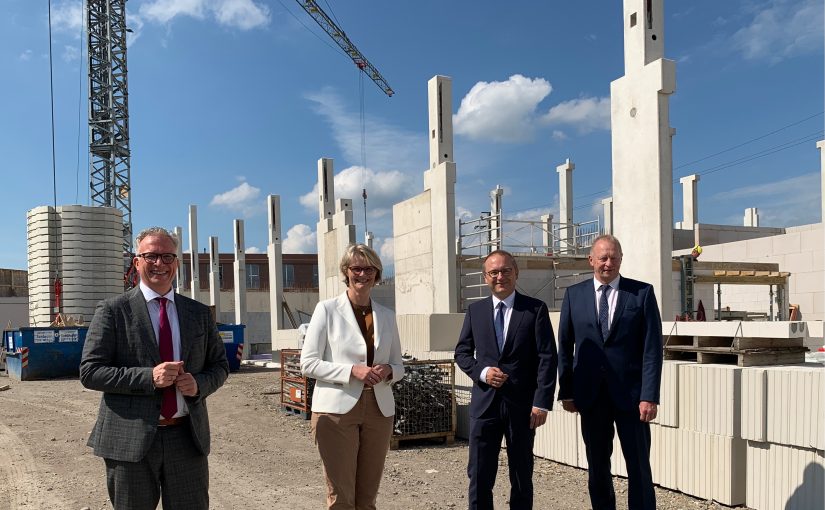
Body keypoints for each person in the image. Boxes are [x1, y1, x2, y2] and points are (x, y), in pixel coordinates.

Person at [80, 227, 229, 509]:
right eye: (151, 256)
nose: (159, 264)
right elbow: (90, 371)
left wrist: (199, 385)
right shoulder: (113, 310)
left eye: (167, 257)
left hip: (186, 439)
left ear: (176, 263)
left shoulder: (198, 313)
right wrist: (149, 377)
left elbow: (219, 366)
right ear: (136, 262)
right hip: (129, 441)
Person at [557, 234, 663, 510]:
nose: (608, 263)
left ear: (621, 259)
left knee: (639, 466)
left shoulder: (642, 294)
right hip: (591, 398)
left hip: (632, 398)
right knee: (597, 466)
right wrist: (566, 391)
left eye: (614, 257)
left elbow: (652, 349)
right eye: (602, 257)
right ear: (591, 260)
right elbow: (565, 346)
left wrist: (649, 396)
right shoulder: (574, 295)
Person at [300, 243, 404, 510]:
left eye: (370, 268)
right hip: (336, 411)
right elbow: (308, 363)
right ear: (346, 271)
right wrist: (351, 371)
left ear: (377, 273)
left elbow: (398, 363)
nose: (363, 274)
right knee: (341, 497)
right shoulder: (327, 309)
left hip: (379, 411)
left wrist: (389, 370)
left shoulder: (387, 315)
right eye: (357, 268)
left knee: (367, 497)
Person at [454, 249, 558, 510]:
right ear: (485, 277)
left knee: (522, 474)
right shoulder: (475, 311)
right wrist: (482, 372)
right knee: (479, 475)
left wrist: (541, 402)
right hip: (484, 406)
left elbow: (548, 358)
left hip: (522, 407)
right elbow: (462, 353)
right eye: (494, 272)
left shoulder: (535, 310)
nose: (500, 276)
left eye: (505, 271)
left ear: (516, 273)